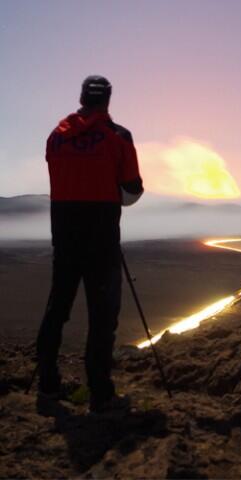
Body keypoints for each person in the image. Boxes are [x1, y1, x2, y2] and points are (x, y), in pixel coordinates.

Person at [36, 75, 144, 414]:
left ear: (82, 97)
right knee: (102, 316)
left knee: (58, 309)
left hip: (65, 237)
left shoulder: (57, 137)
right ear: (108, 101)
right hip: (102, 240)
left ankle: (48, 385)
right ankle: (100, 393)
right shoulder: (119, 137)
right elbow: (131, 191)